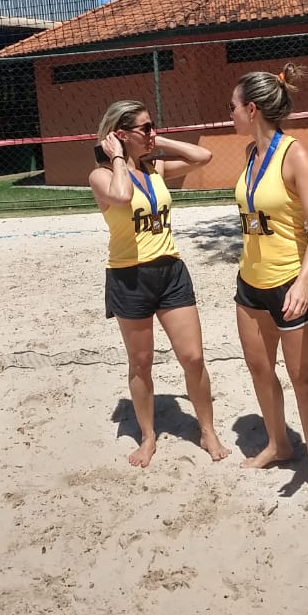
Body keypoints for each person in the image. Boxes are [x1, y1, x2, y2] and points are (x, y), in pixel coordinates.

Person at [90, 101, 229, 468]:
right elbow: (120, 195)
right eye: (145, 128)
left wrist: (154, 140)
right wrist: (120, 156)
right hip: (128, 276)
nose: (152, 133)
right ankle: (148, 436)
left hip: (170, 271)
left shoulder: (157, 167)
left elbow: (204, 155)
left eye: (154, 127)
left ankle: (207, 429)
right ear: (119, 135)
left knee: (193, 357)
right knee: (141, 363)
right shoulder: (101, 176)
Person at [229, 65, 308, 506]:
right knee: (259, 368)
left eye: (232, 107)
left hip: (293, 282)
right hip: (250, 282)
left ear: (251, 109)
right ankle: (278, 443)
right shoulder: (252, 154)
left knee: (303, 378)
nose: (228, 114)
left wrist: (304, 282)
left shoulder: (296, 155)